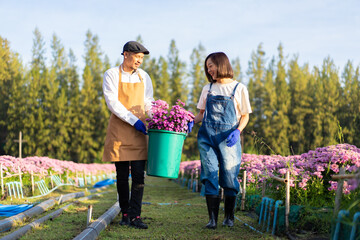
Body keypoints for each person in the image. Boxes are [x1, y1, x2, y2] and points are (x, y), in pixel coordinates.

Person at [194, 52, 252, 229]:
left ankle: (229, 217)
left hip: (229, 138)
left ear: (221, 64)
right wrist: (187, 121)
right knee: (210, 174)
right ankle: (212, 220)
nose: (209, 69)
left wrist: (238, 131)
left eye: (211, 65)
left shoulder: (239, 88)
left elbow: (245, 116)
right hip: (207, 138)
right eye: (207, 67)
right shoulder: (208, 88)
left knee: (229, 174)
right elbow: (201, 114)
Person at [102, 41, 154, 229]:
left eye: (142, 58)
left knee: (139, 175)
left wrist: (157, 116)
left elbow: (148, 101)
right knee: (122, 175)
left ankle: (135, 215)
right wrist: (134, 121)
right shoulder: (111, 74)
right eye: (137, 56)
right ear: (125, 55)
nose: (140, 60)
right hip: (120, 130)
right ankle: (125, 213)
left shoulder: (143, 76)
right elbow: (113, 103)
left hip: (140, 132)